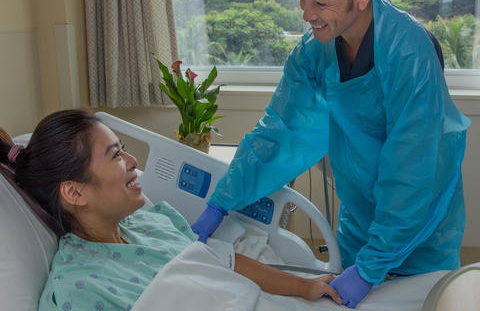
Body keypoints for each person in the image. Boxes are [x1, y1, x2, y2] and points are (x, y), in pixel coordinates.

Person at [191, 0, 471, 308]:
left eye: (321, 2)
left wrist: (373, 268)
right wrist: (222, 201)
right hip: (359, 220)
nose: (307, 14)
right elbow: (279, 133)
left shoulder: (409, 54)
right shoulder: (313, 52)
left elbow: (413, 169)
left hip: (419, 227)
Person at [0, 109, 342, 310]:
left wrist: (304, 287)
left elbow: (224, 263)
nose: (134, 162)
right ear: (75, 191)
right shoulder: (79, 289)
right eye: (116, 155)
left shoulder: (152, 222)